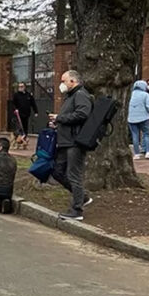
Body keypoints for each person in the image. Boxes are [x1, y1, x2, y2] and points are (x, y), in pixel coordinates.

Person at [48, 70, 93, 221]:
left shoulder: (80, 95)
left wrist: (60, 118)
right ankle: (82, 197)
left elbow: (82, 114)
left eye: (63, 81)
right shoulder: (71, 97)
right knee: (57, 171)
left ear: (73, 81)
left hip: (75, 142)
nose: (61, 84)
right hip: (65, 141)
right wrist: (57, 121)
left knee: (74, 175)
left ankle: (77, 210)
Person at [128, 80, 149, 160]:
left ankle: (136, 154)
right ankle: (148, 152)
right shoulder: (145, 95)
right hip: (144, 118)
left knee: (135, 135)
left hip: (131, 118)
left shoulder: (130, 95)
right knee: (147, 134)